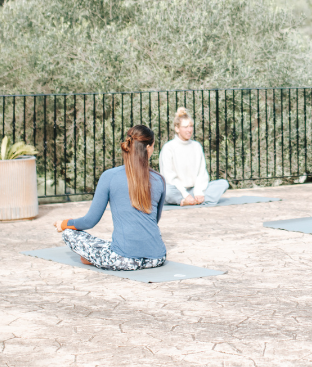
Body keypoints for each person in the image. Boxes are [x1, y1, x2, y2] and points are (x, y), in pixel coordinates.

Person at [55, 125, 166, 271]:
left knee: (69, 233)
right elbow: (154, 221)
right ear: (148, 148)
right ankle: (94, 257)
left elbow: (89, 221)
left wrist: (64, 223)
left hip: (124, 260)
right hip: (157, 258)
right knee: (109, 245)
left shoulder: (110, 176)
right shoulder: (159, 180)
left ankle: (92, 258)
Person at [158, 107, 230, 206]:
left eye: (191, 126)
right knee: (166, 191)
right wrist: (185, 194)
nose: (189, 130)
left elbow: (202, 173)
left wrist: (199, 192)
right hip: (178, 191)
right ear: (177, 128)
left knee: (223, 183)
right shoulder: (168, 147)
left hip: (195, 190)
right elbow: (169, 177)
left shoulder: (197, 146)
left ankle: (192, 201)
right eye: (185, 127)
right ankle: (187, 200)